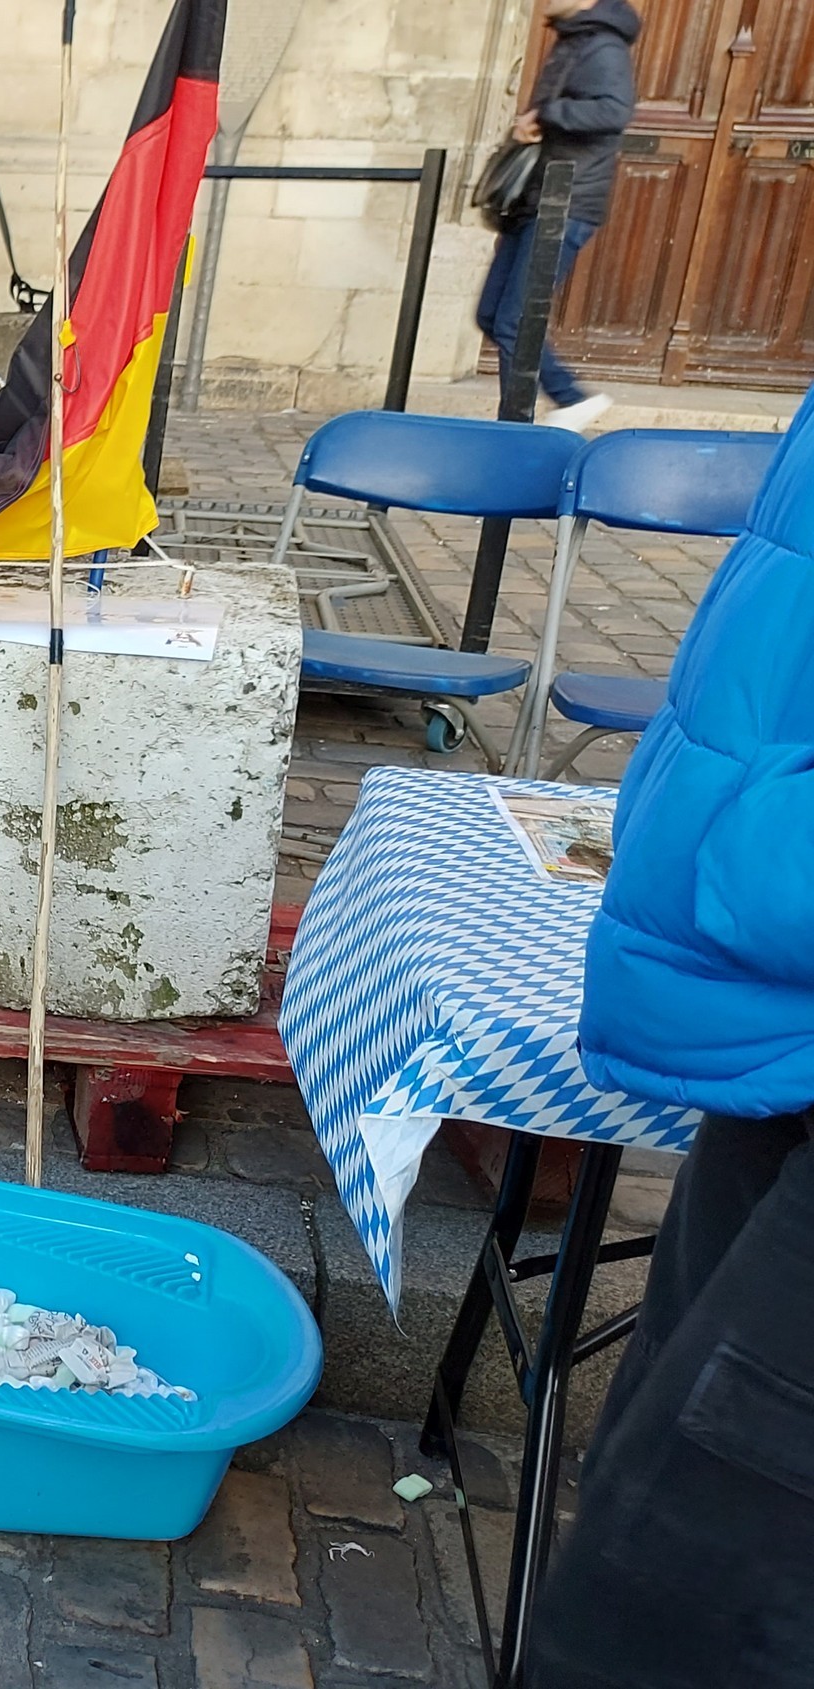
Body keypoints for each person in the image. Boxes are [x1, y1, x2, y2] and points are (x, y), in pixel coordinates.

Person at [525, 402, 814, 1688]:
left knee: (684, 1609)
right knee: (645, 1503)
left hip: (775, 925)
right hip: (776, 1016)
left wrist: (753, 859)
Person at [478, 0, 635, 436]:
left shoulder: (603, 46)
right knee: (492, 315)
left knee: (514, 322)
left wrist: (546, 115)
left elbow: (613, 111)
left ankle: (528, 426)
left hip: (566, 204)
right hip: (537, 198)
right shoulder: (574, 39)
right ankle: (562, 402)